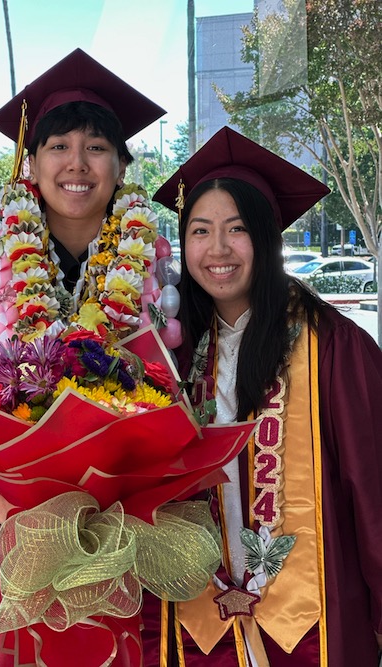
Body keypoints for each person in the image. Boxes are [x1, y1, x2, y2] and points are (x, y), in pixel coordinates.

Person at [0, 48, 166, 667]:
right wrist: (4, 508)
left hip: (119, 543)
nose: (78, 163)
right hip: (4, 541)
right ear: (30, 164)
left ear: (122, 168)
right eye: (58, 145)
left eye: (98, 146)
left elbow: (182, 404)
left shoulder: (158, 288)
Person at [141, 126, 382, 666]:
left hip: (314, 623)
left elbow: (374, 496)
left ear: (269, 237)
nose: (217, 249)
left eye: (238, 229)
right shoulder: (172, 355)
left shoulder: (335, 349)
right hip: (199, 628)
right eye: (200, 231)